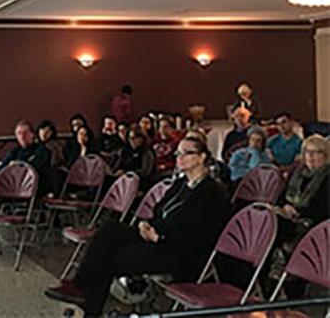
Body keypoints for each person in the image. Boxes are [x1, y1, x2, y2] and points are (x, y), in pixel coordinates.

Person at [45, 137, 231, 316]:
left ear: (202, 157)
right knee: (110, 228)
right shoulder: (181, 184)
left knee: (110, 259)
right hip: (156, 237)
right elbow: (159, 210)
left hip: (177, 251)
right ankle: (81, 288)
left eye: (186, 153)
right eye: (177, 153)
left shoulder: (211, 193)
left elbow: (199, 236)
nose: (179, 157)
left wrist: (159, 238)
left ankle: (87, 301)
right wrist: (146, 225)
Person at [272, 135, 330, 297]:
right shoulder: (296, 174)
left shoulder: (327, 176)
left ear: (325, 155)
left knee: (278, 230)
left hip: (313, 223)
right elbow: (281, 196)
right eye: (307, 152)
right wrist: (285, 206)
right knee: (270, 222)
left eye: (316, 152)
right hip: (289, 216)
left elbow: (322, 209)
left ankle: (285, 276)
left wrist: (297, 214)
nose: (310, 156)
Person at [112, 126, 156, 191]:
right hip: (122, 182)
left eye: (134, 138)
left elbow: (145, 172)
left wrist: (126, 173)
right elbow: (118, 165)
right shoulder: (124, 151)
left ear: (142, 138)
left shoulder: (147, 152)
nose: (132, 141)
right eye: (130, 138)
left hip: (140, 183)